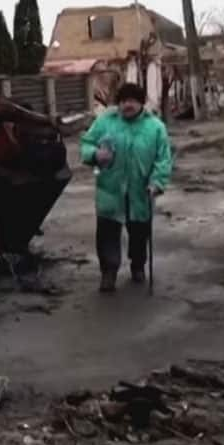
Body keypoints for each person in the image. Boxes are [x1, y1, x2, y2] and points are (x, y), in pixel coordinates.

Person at [80, 83, 173, 293]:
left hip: (140, 191)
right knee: (107, 233)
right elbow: (86, 144)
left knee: (139, 233)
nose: (127, 105)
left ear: (141, 103)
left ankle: (138, 265)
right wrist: (95, 155)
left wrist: (157, 182)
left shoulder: (155, 127)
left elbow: (163, 159)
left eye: (132, 101)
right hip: (110, 190)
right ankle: (108, 272)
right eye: (123, 101)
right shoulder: (105, 122)